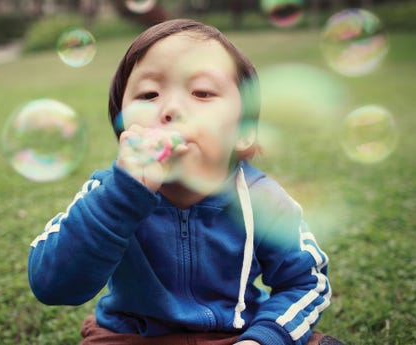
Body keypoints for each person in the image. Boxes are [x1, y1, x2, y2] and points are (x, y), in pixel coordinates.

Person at [28, 19, 342, 345]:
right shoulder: (106, 194)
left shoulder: (263, 199)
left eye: (202, 92)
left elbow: (305, 282)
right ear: (125, 131)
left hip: (234, 336)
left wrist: (264, 338)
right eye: (149, 94)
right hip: (129, 337)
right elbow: (51, 285)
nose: (172, 109)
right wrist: (121, 198)